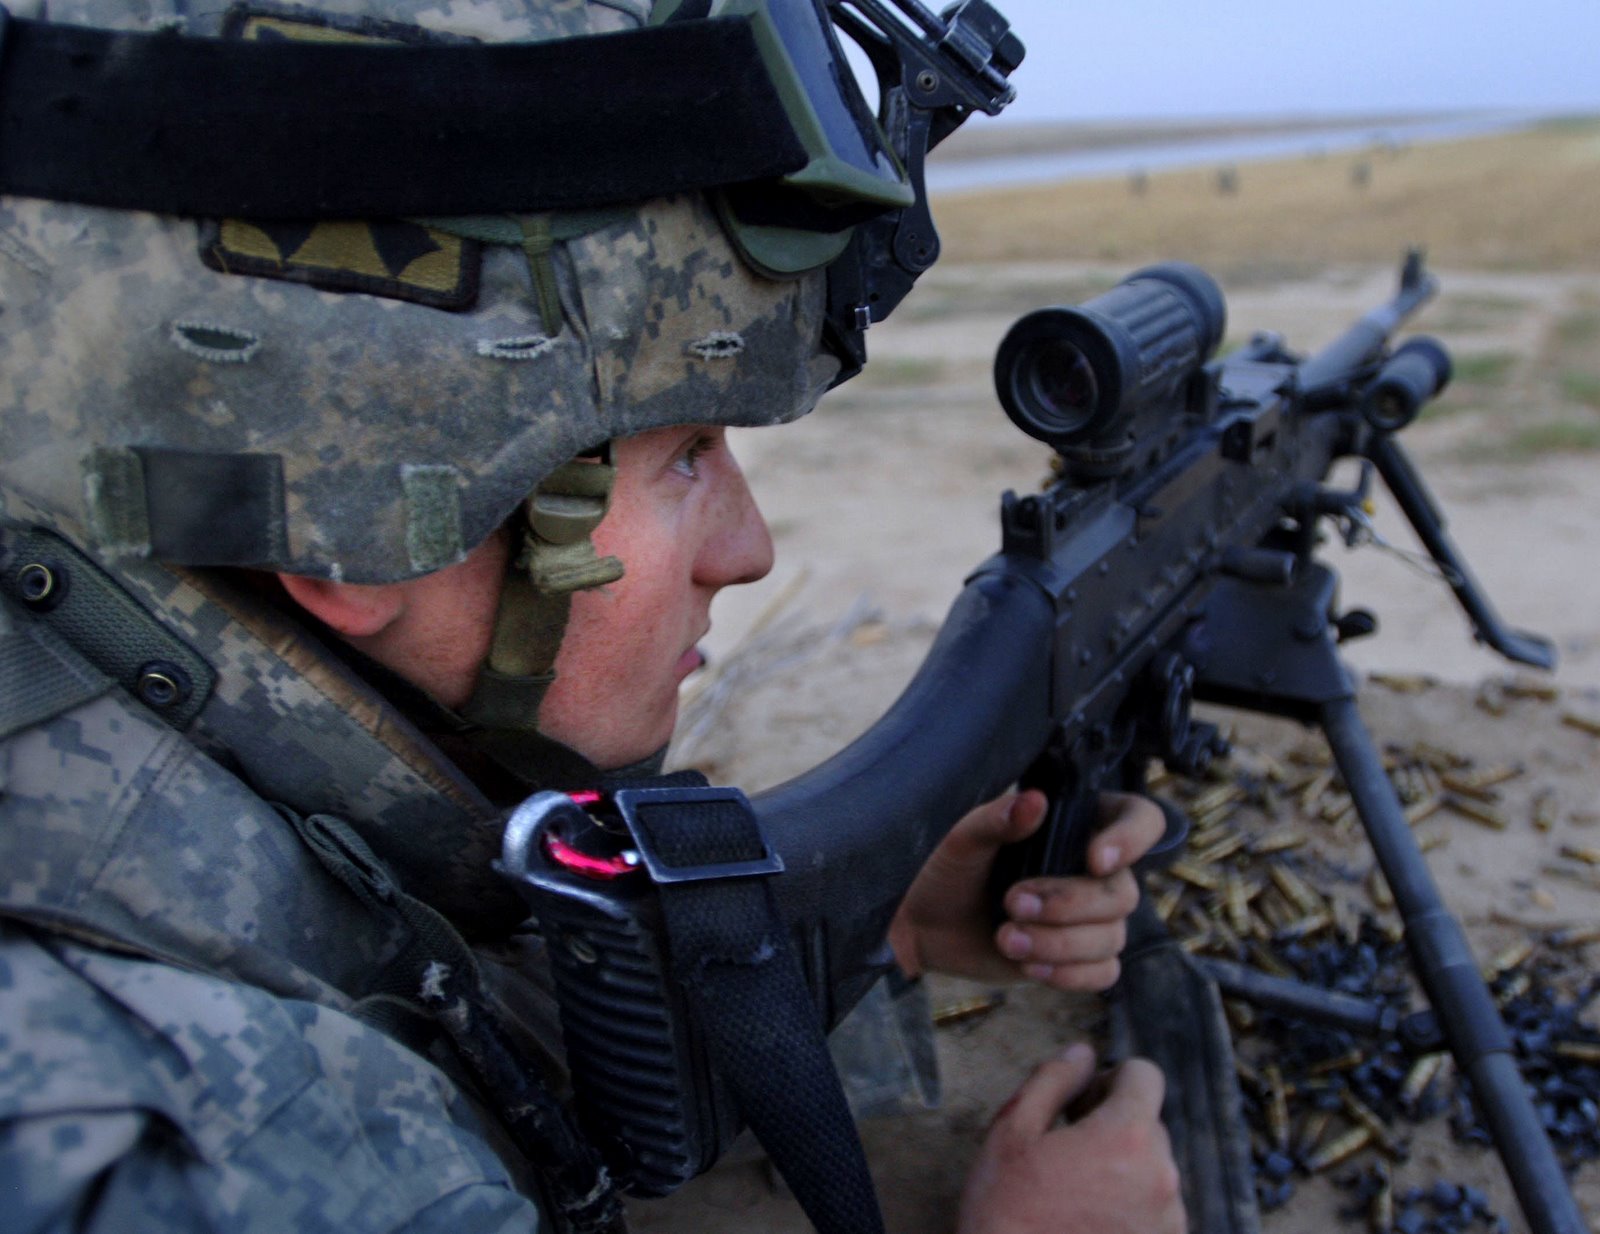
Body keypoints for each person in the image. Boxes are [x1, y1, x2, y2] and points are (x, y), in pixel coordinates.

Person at [0, 1, 1184, 1231]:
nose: (749, 551)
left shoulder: (197, 780)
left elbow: (460, 1028)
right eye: (683, 456)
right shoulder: (160, 1121)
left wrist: (894, 929)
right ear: (351, 526)